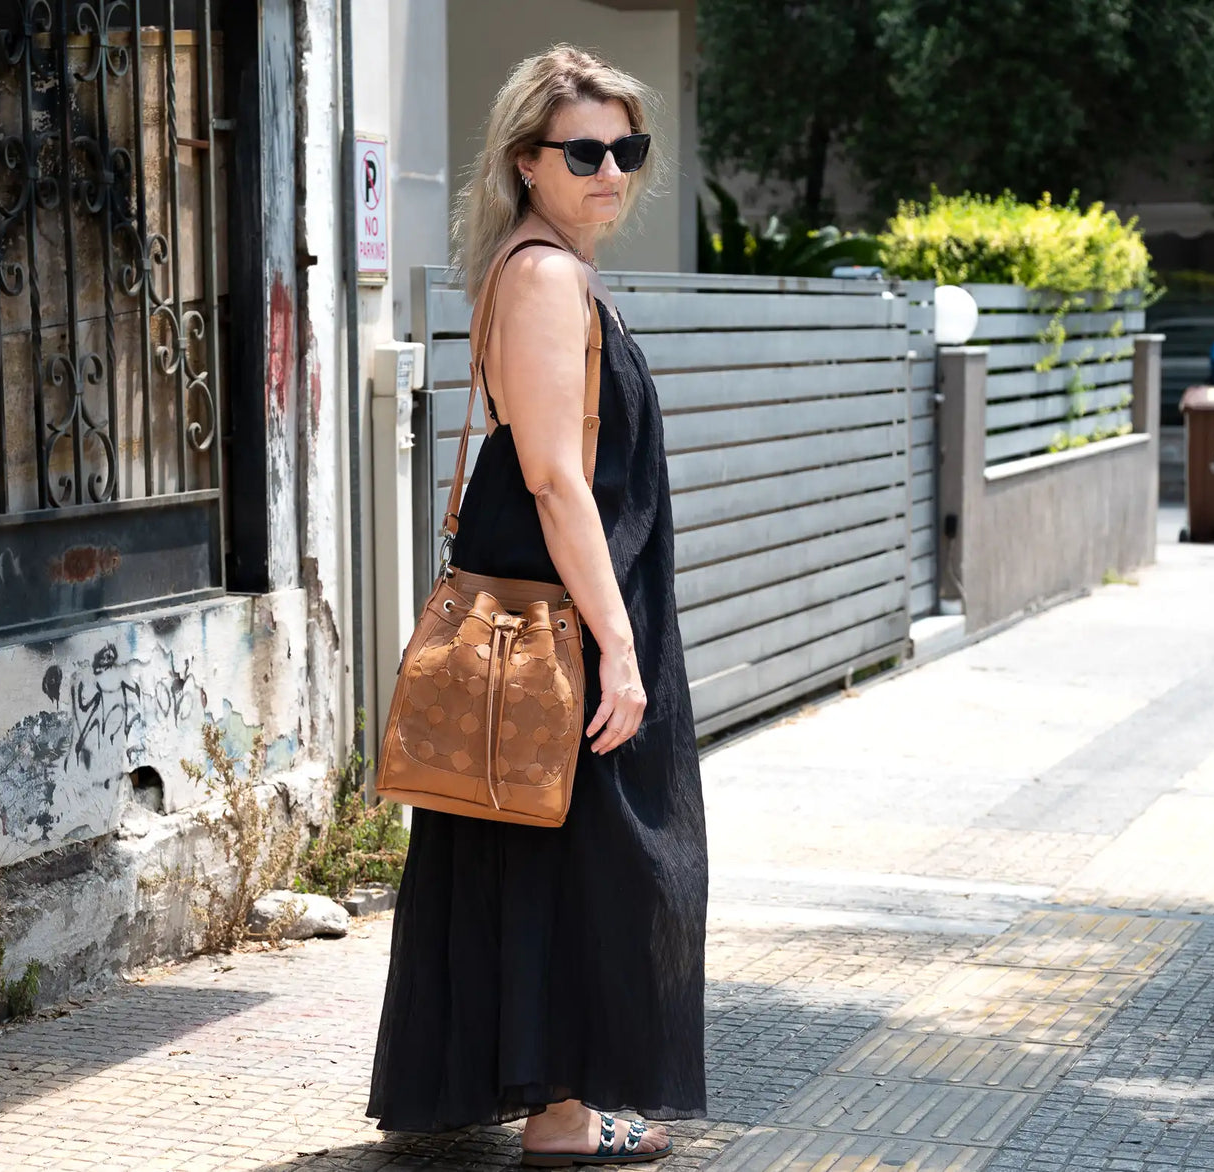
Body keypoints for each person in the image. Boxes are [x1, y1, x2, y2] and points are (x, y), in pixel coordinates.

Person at [367, 45, 708, 1167]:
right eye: (585, 151)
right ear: (528, 160)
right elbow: (559, 478)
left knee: (538, 848)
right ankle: (562, 1113)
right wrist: (620, 646)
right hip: (564, 612)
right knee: (605, 858)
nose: (612, 170)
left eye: (628, 149)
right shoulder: (549, 275)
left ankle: (544, 1094)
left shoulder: (534, 264)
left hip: (551, 603)